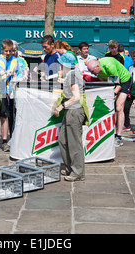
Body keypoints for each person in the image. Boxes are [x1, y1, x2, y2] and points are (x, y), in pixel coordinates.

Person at [54, 52, 87, 181]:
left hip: (74, 111)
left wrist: (61, 106)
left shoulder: (73, 76)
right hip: (72, 111)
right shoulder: (72, 74)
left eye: (61, 63)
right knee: (63, 141)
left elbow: (76, 97)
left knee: (74, 144)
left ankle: (77, 173)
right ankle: (70, 168)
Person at [87, 57, 131, 147]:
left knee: (119, 107)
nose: (92, 74)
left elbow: (117, 85)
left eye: (92, 71)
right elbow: (105, 82)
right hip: (114, 82)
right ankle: (112, 133)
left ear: (98, 66)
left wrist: (112, 94)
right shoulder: (98, 71)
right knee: (111, 107)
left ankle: (119, 135)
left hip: (124, 80)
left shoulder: (108, 66)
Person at [0, 39, 21, 151]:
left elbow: (16, 74)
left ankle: (14, 139)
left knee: (14, 116)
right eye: (6, 51)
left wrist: (11, 74)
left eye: (10, 51)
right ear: (2, 50)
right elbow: (3, 74)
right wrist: (9, 73)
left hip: (13, 92)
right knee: (4, 116)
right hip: (2, 91)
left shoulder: (16, 60)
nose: (8, 53)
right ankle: (5, 141)